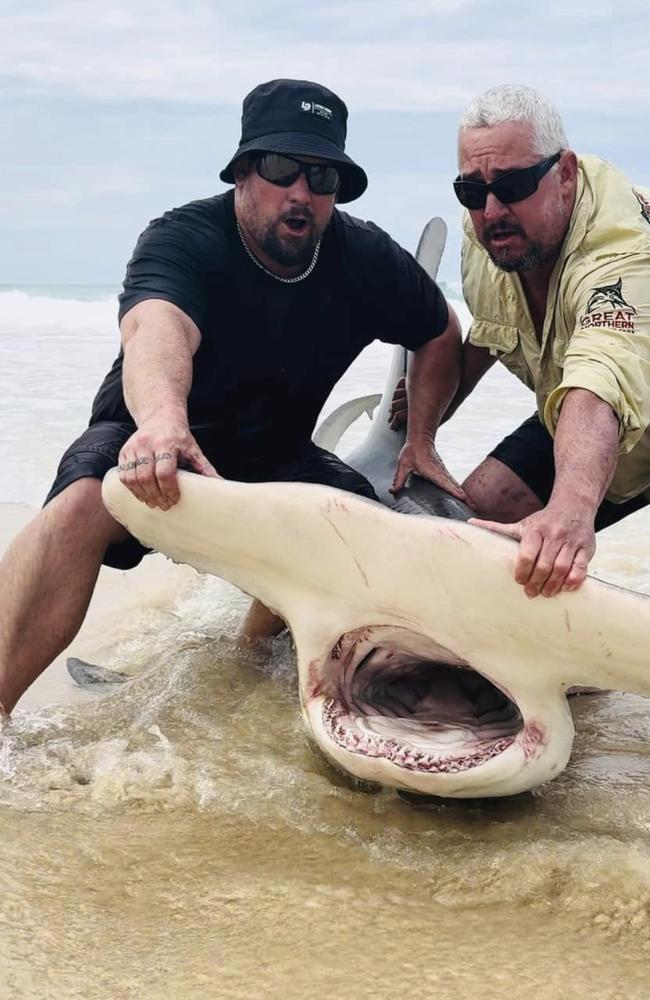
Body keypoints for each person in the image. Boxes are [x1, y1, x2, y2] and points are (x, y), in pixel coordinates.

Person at [0, 78, 464, 715]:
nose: (301, 192)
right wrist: (163, 423)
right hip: (153, 440)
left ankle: (242, 667)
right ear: (243, 171)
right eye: (280, 169)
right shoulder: (184, 237)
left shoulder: (362, 256)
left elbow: (440, 331)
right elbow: (155, 326)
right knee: (85, 497)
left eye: (322, 176)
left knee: (359, 530)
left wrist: (423, 436)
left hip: (274, 454)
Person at [391, 84, 650, 600]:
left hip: (610, 396)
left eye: (511, 186)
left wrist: (570, 509)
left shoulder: (622, 252)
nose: (490, 211)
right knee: (475, 523)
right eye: (471, 192)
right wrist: (422, 426)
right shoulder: (490, 232)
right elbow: (492, 332)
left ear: (566, 173)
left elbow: (599, 378)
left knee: (559, 535)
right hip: (586, 422)